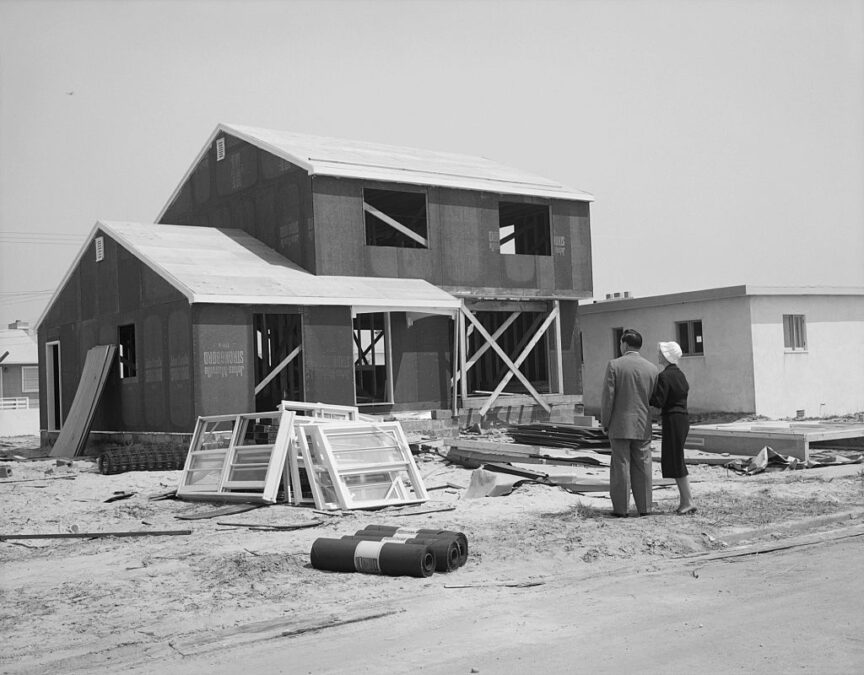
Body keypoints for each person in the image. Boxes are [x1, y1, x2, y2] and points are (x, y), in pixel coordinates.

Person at [600, 329, 658, 517]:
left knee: (621, 466)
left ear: (624, 344)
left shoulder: (614, 365)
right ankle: (645, 507)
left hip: (619, 423)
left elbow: (608, 398)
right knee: (643, 465)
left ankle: (621, 509)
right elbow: (652, 398)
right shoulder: (651, 368)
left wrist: (605, 421)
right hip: (642, 423)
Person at [650, 341, 696, 515]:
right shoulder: (681, 375)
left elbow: (659, 401)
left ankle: (688, 500)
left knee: (676, 460)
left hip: (673, 419)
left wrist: (647, 395)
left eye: (661, 352)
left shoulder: (665, 376)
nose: (659, 355)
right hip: (682, 419)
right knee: (677, 459)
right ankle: (685, 500)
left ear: (666, 355)